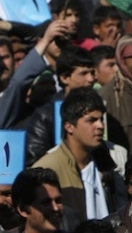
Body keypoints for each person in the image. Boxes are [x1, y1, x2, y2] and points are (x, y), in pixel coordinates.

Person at [33, 88, 122, 220]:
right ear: (69, 127)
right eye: (91, 120)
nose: (100, 126)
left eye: (101, 119)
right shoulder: (47, 168)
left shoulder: (107, 164)